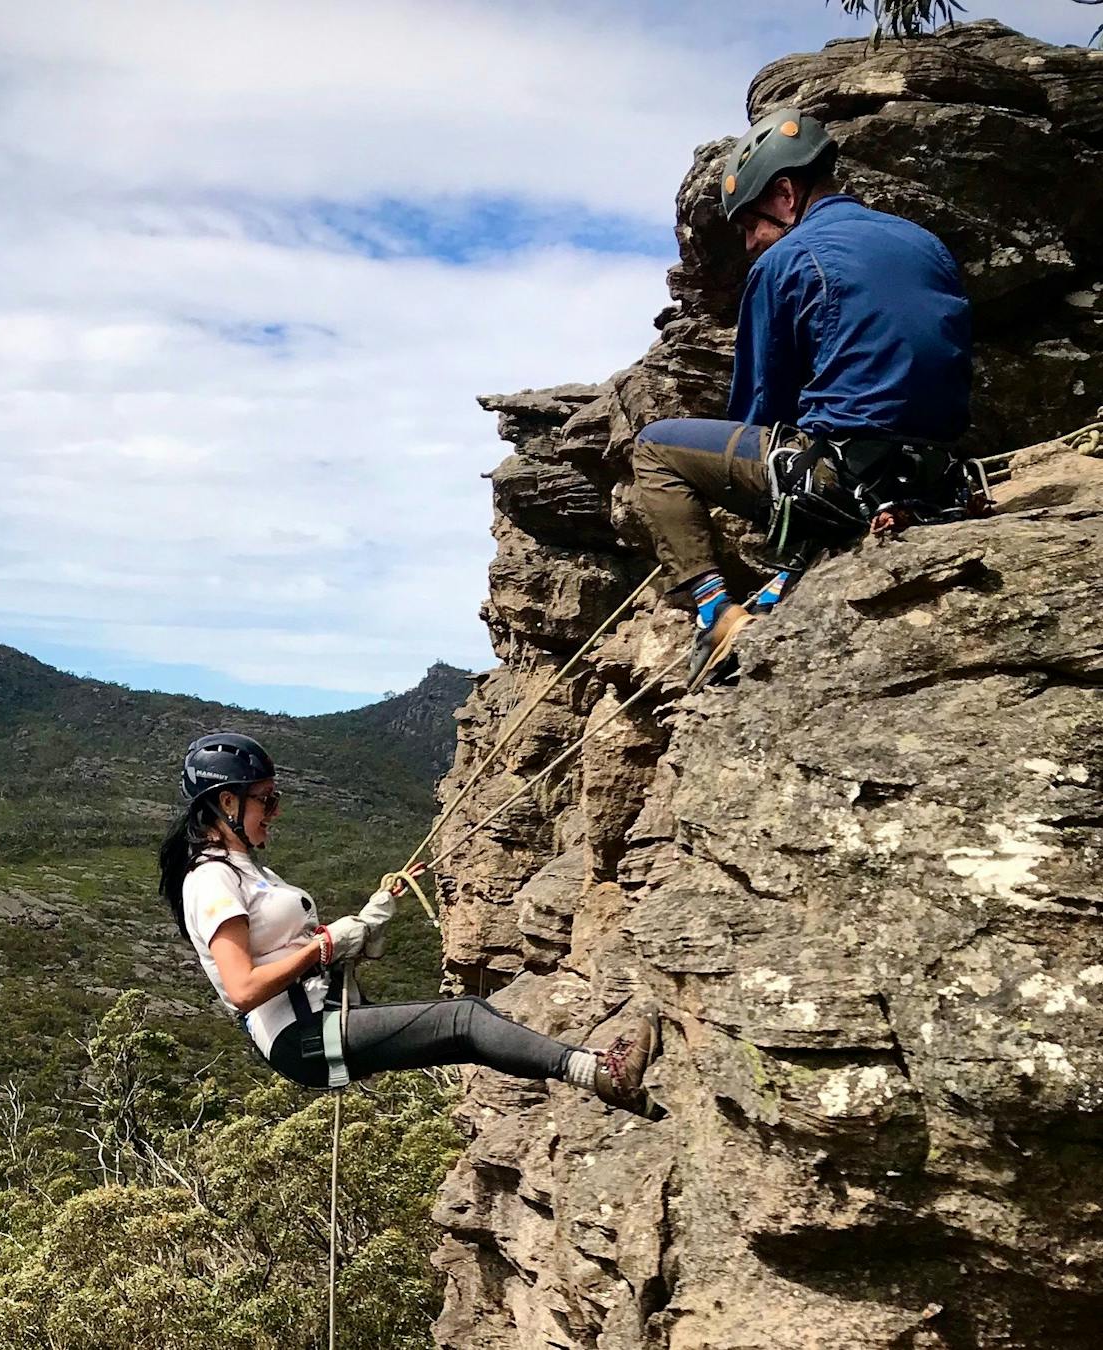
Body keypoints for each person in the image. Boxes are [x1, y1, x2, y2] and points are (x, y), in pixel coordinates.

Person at [630, 107, 977, 688]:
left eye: (750, 225)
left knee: (655, 448)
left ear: (785, 194)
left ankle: (715, 611)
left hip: (845, 479)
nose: (748, 243)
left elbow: (762, 404)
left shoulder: (785, 260)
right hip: (935, 476)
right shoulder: (925, 242)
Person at [157, 731, 656, 1114]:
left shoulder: (249, 870)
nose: (276, 812)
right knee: (465, 1021)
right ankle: (603, 1075)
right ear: (228, 802)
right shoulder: (211, 880)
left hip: (317, 1018)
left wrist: (366, 920)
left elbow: (290, 946)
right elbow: (243, 987)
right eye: (266, 799)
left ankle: (620, 1086)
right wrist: (325, 948)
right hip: (301, 1036)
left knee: (470, 1017)